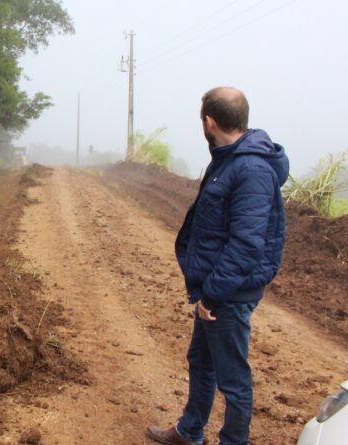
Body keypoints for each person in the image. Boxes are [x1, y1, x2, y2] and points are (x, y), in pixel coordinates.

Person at [146, 87, 289, 445]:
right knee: (201, 360)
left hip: (227, 293)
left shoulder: (251, 169)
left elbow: (246, 245)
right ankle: (190, 431)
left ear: (209, 122)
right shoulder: (227, 158)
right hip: (215, 286)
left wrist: (211, 296)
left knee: (233, 379)